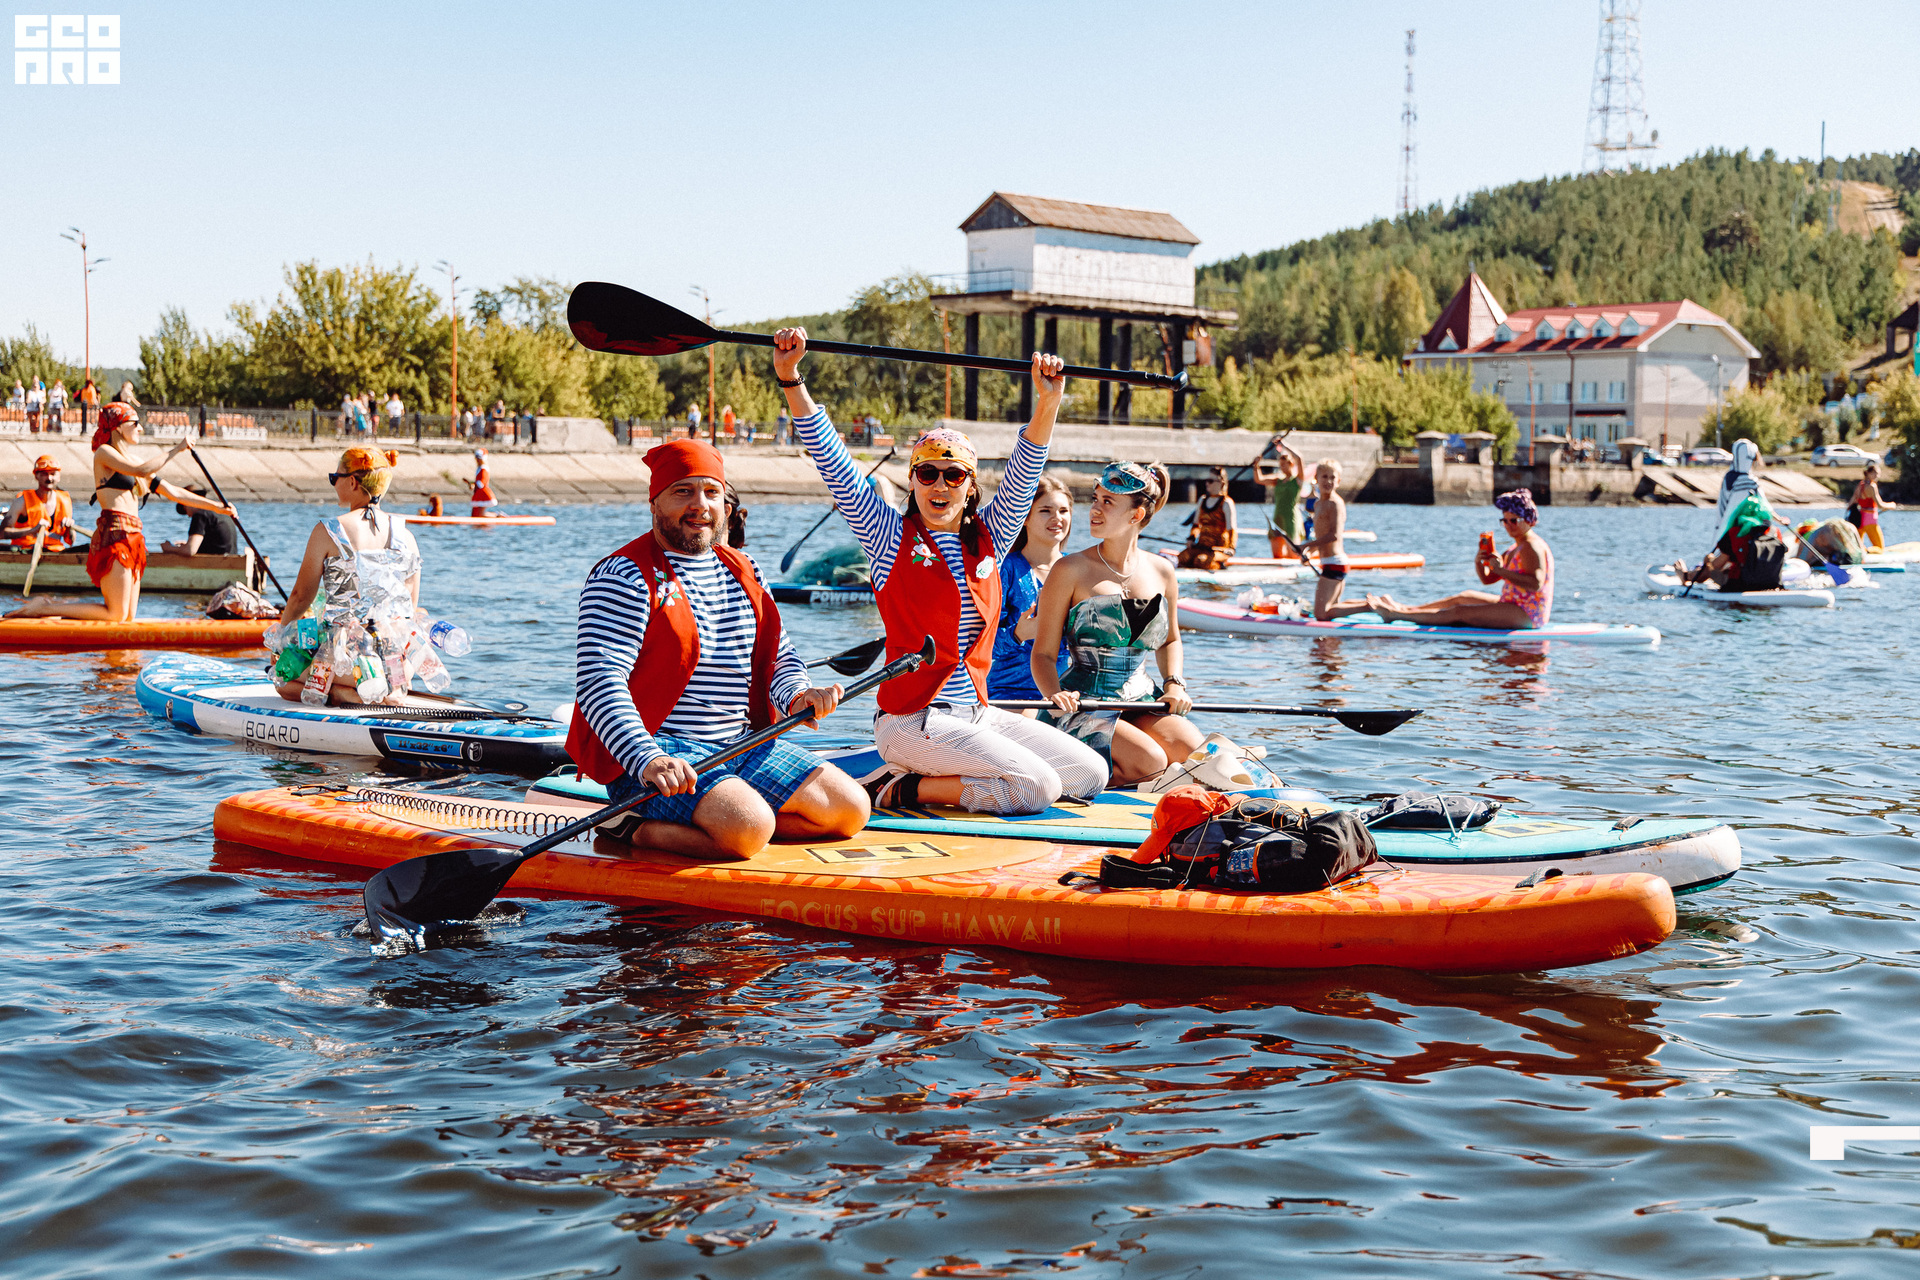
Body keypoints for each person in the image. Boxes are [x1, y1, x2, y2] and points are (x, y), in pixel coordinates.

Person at [779, 326, 1107, 815]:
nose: (940, 484)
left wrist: (1048, 402)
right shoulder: (886, 534)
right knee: (1036, 787)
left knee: (1088, 775)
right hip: (911, 720)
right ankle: (891, 788)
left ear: (969, 487)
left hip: (977, 714)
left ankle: (929, 778)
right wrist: (792, 378)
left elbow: (1024, 471)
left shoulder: (990, 536)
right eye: (927, 473)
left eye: (954, 476)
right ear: (912, 480)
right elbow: (835, 462)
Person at [569, 438, 866, 859]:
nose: (699, 505)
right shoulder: (623, 575)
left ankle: (738, 827)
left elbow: (779, 655)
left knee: (849, 810)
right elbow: (600, 681)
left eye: (710, 492)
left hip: (739, 744)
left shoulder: (745, 568)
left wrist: (800, 693)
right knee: (750, 827)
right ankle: (628, 825)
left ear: (725, 505)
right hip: (658, 752)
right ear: (654, 502)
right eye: (682, 491)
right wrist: (645, 758)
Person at [1029, 461, 1203, 785]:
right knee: (1150, 761)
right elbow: (1043, 655)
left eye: (1107, 502)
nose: (1094, 509)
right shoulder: (1069, 569)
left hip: (1142, 698)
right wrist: (1055, 695)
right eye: (1095, 499)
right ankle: (1067, 780)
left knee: (1194, 752)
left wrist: (1174, 683)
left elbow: (1170, 641)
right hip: (1080, 704)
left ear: (1136, 515)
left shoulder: (1163, 571)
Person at [6, 403, 233, 621]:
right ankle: (43, 608)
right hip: (114, 536)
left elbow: (173, 492)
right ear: (118, 427)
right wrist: (176, 450)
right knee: (115, 614)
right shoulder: (104, 454)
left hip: (134, 538)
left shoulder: (132, 459)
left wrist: (218, 508)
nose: (140, 428)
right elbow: (140, 470)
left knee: (126, 616)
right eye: (135, 423)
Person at [270, 448, 427, 706]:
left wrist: (279, 645)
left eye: (335, 477)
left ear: (352, 481)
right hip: (398, 661)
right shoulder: (407, 536)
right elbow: (410, 607)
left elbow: (300, 597)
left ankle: (342, 694)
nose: (334, 483)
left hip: (349, 660)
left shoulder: (329, 531)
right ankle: (391, 688)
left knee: (282, 678)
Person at [1370, 488, 1554, 628]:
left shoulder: (1532, 546)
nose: (1508, 526)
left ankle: (1396, 615)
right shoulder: (1516, 546)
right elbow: (1488, 579)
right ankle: (1408, 610)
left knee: (1460, 612)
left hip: (1528, 614)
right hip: (1512, 604)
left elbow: (1535, 583)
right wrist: (1479, 562)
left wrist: (1500, 570)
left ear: (1529, 520)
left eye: (1513, 521)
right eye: (1504, 521)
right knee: (1463, 597)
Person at [988, 471, 1074, 701]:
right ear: (1025, 517)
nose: (1057, 518)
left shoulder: (1078, 569)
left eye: (1064, 511)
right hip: (1011, 692)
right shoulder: (1005, 569)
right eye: (1045, 511)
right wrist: (1018, 634)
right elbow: (980, 644)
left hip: (1066, 692)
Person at [1305, 458, 1363, 620]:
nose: (1328, 481)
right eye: (1324, 476)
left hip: (1335, 563)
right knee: (1333, 610)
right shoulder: (1317, 505)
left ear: (1338, 481)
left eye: (1332, 478)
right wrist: (1310, 552)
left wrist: (1306, 545)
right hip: (1327, 562)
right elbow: (1321, 535)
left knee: (1320, 614)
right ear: (1316, 478)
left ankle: (1368, 607)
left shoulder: (1335, 503)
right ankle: (1368, 604)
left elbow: (1334, 535)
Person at [4, 455, 78, 551]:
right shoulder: (21, 501)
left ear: (59, 477)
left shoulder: (65, 500)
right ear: (36, 476)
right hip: (26, 551)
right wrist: (32, 530)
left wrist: (70, 528)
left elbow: (71, 541)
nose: (49, 478)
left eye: (52, 474)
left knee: (88, 547)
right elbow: (2, 533)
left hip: (55, 552)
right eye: (44, 474)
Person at [1177, 465, 1237, 570]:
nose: (1206, 483)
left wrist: (1231, 548)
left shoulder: (1227, 503)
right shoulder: (1203, 500)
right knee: (1182, 558)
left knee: (1200, 561)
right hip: (1202, 545)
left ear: (1220, 482)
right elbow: (1196, 525)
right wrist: (1191, 538)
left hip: (1219, 549)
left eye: (1210, 481)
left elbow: (1232, 529)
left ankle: (1219, 565)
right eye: (1207, 480)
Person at [160, 484, 240, 556]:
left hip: (215, 563)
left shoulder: (200, 515)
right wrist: (186, 544)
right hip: (230, 559)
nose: (188, 515)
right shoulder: (221, 512)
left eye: (185, 509)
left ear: (187, 503)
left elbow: (190, 551)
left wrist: (169, 548)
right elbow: (217, 543)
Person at [1266, 437, 1306, 558]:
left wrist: (1284, 445)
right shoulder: (1279, 480)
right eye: (1281, 465)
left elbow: (1299, 458)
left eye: (1285, 464)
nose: (1282, 467)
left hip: (1292, 518)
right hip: (1278, 516)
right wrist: (1256, 465)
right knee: (1277, 555)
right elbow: (1259, 479)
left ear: (1291, 464)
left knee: (1293, 554)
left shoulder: (1298, 479)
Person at [1850, 462, 1894, 552]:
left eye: (1878, 473)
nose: (1877, 476)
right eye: (1875, 473)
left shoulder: (1860, 485)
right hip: (1870, 520)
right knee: (1880, 549)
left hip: (1859, 519)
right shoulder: (1872, 486)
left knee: (1858, 546)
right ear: (1868, 473)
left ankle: (1862, 552)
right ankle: (1867, 551)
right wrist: (1891, 505)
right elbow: (1880, 505)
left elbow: (1853, 500)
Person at [467, 447, 496, 517]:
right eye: (476, 458)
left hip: (483, 492)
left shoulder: (484, 468)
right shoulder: (480, 468)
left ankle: (498, 516)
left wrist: (474, 485)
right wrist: (473, 484)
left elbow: (482, 482)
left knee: (480, 514)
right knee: (475, 514)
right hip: (478, 492)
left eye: (479, 458)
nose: (477, 460)